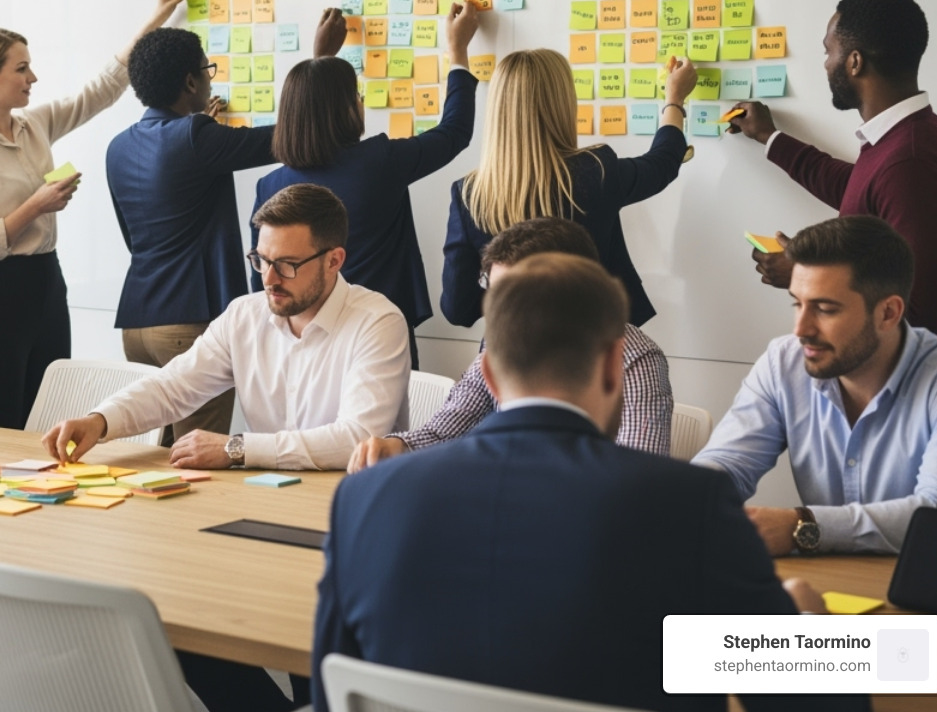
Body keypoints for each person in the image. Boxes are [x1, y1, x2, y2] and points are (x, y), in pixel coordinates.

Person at [315, 252, 867, 712]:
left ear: (486, 374)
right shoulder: (686, 503)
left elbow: (327, 687)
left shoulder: (363, 497)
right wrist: (805, 632)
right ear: (612, 368)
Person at [0, 0, 186, 428]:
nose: (32, 78)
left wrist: (158, 17)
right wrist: (35, 205)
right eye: (22, 69)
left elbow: (102, 89)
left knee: (48, 421)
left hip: (47, 287)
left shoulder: (33, 123)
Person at [44, 183, 410, 472]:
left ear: (334, 260)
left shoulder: (377, 322)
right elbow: (173, 386)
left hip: (348, 501)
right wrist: (100, 420)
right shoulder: (245, 315)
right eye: (261, 260)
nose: (269, 278)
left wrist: (237, 448)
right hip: (264, 492)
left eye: (287, 265)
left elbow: (358, 438)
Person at [106, 8, 346, 443]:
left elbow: (133, 231)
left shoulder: (118, 146)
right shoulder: (197, 136)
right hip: (188, 320)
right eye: (207, 70)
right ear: (190, 82)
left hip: (138, 323)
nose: (212, 80)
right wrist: (320, 59)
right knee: (198, 458)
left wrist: (208, 131)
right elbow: (287, 136)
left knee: (158, 458)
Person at [693, 215, 937, 555]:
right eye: (797, 303)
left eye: (825, 309)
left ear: (888, 313)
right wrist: (693, 498)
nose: (801, 329)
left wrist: (802, 525)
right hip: (830, 586)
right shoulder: (783, 362)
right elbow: (729, 463)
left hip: (933, 592)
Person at [254, 1, 480, 368]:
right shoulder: (379, 163)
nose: (361, 102)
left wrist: (321, 61)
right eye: (356, 97)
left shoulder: (270, 186)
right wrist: (457, 51)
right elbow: (454, 132)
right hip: (380, 335)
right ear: (346, 109)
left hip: (303, 340)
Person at [349, 217, 672, 471]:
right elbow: (447, 428)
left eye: (517, 293)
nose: (502, 307)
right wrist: (397, 446)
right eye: (495, 289)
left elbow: (637, 464)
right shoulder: (503, 338)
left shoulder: (634, 357)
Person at [727, 0, 937, 338]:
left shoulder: (911, 161)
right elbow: (859, 189)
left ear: (854, 62)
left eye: (828, 50)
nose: (825, 63)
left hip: (898, 384)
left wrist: (806, 275)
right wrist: (769, 137)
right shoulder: (909, 134)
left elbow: (919, 315)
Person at [441, 48, 697, 328]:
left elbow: (458, 309)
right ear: (563, 105)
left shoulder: (468, 195)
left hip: (513, 356)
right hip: (593, 349)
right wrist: (674, 99)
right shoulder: (596, 170)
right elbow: (662, 164)